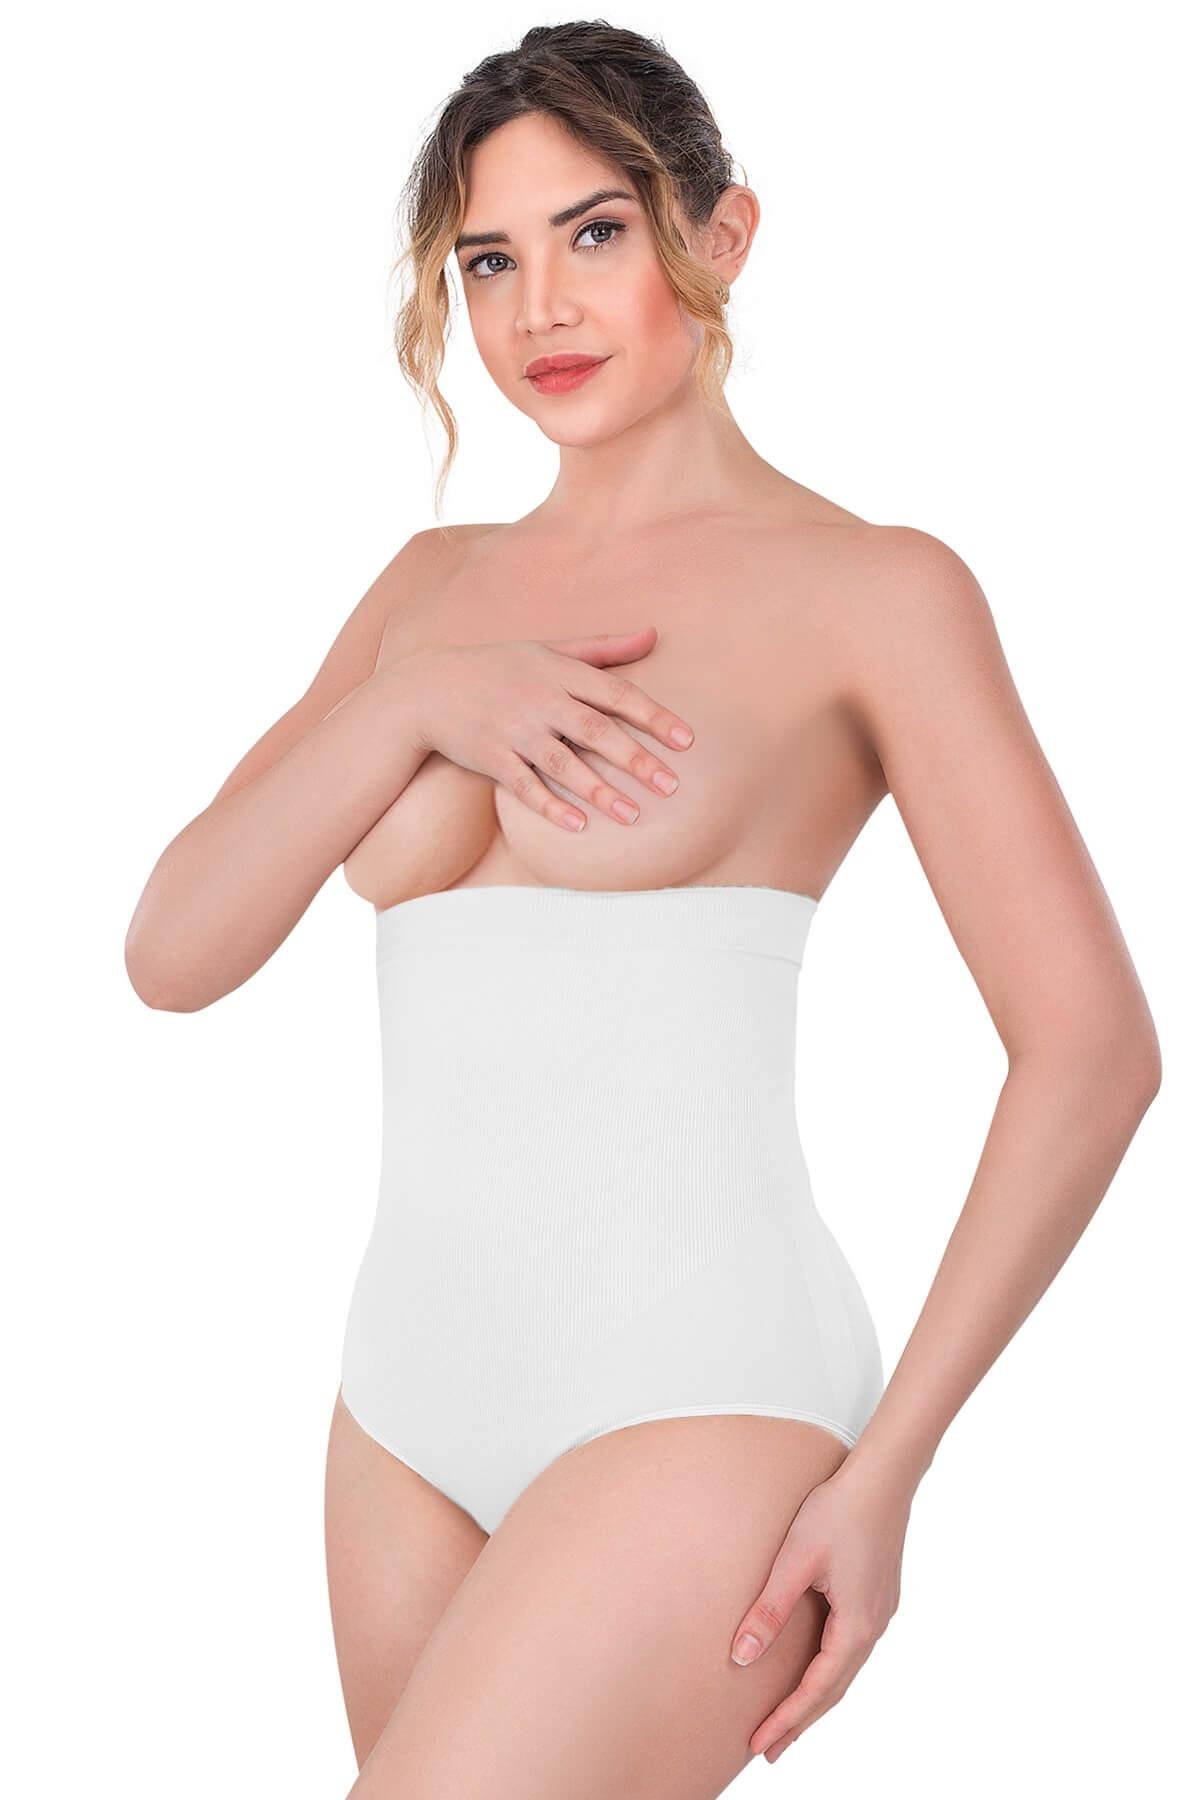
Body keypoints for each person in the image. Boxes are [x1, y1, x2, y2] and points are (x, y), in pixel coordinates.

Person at [124, 21, 1162, 1798]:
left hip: (700, 1386)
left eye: (594, 233)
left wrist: (893, 1467)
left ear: (721, 235)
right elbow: (174, 950)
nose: (540, 308)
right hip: (402, 1402)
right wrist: (416, 702)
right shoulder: (428, 588)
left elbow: (1093, 1051)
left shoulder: (873, 591)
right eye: (488, 261)